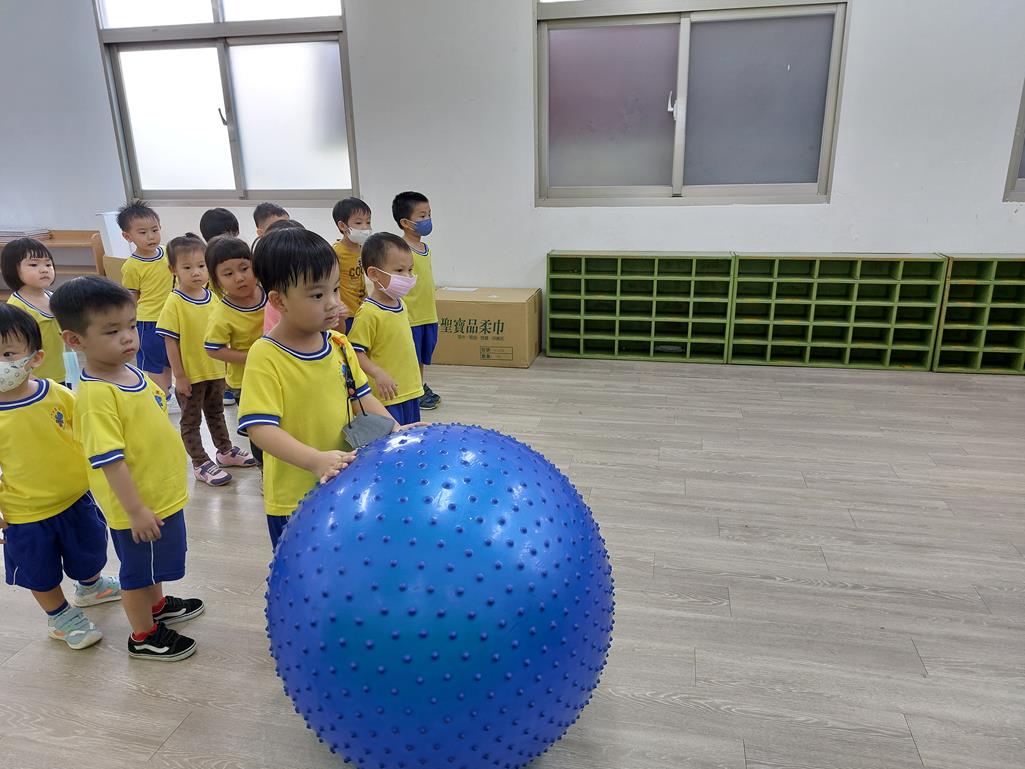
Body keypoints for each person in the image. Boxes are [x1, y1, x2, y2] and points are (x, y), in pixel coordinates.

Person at [51, 276, 204, 661]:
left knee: (155, 563)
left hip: (159, 494)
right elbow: (110, 460)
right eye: (112, 331)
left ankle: (156, 606)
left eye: (131, 326)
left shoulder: (129, 371)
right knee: (137, 573)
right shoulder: (96, 397)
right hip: (139, 504)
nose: (128, 338)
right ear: (75, 340)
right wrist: (135, 511)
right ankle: (144, 635)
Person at [238, 227, 406, 548]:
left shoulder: (339, 344)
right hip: (295, 499)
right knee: (302, 571)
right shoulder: (266, 355)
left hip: (344, 486)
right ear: (279, 301)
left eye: (335, 289)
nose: (333, 303)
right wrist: (315, 460)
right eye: (317, 295)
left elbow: (362, 399)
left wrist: (396, 432)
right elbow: (260, 429)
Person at [0, 303, 121, 650]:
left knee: (89, 549)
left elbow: (87, 429)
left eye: (8, 354)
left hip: (77, 497)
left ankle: (91, 586)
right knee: (39, 570)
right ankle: (60, 616)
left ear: (35, 357)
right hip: (26, 513)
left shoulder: (57, 394)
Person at [156, 234, 255, 487]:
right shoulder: (174, 302)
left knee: (217, 413)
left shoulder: (213, 298)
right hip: (191, 375)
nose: (196, 273)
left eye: (201, 266)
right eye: (187, 267)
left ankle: (225, 451)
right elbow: (170, 342)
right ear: (173, 270)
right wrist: (179, 376)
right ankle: (200, 462)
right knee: (191, 421)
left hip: (215, 371)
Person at [203, 235, 266, 466]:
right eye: (228, 274)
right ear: (217, 280)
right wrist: (251, 357)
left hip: (277, 372)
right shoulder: (223, 313)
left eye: (244, 268)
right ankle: (264, 470)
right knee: (259, 430)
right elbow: (213, 349)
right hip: (245, 381)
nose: (239, 277)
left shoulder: (270, 294)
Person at [348, 233, 423, 425]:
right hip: (386, 397)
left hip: (409, 391)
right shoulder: (368, 313)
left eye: (410, 270)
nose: (408, 277)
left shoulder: (400, 304)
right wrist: (378, 373)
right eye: (399, 270)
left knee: (411, 437)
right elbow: (355, 352)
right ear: (374, 274)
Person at [117, 200, 173, 396]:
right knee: (155, 363)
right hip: (149, 322)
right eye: (143, 232)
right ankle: (160, 397)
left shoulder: (168, 253)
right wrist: (130, 323)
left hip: (172, 318)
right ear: (127, 236)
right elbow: (132, 296)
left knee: (170, 359)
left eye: (154, 230)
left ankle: (167, 392)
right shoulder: (132, 266)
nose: (151, 236)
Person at [393, 191, 440, 410]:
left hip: (427, 313)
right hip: (410, 315)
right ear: (405, 222)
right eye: (422, 216)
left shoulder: (425, 249)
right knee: (410, 356)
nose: (427, 220)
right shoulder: (400, 249)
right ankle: (412, 390)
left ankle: (419, 385)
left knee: (422, 355)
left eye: (429, 214)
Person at [2, 238, 67, 386]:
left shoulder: (54, 298)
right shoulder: (16, 307)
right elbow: (12, 348)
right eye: (33, 264)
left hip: (61, 372)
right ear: (13, 269)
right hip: (35, 379)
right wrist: (29, 377)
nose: (44, 269)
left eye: (48, 264)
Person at [331, 197, 372, 333]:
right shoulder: (335, 252)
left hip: (362, 310)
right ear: (343, 226)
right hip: (346, 314)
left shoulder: (363, 249)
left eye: (368, 222)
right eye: (359, 223)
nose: (365, 227)